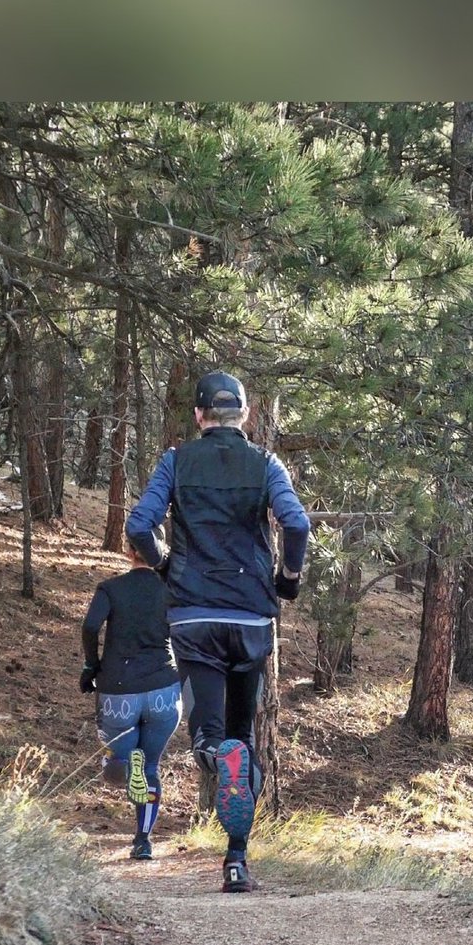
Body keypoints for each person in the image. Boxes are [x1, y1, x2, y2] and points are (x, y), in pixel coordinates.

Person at [125, 370, 310, 893]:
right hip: (251, 616)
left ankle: (215, 757)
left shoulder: (176, 461)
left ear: (200, 417)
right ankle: (236, 863)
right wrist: (287, 581)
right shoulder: (266, 462)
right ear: (245, 416)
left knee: (208, 734)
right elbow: (295, 524)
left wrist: (164, 564)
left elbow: (139, 525)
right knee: (243, 736)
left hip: (195, 615)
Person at [80, 534, 182, 860]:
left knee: (116, 763)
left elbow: (90, 626)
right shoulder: (172, 588)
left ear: (129, 551)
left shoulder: (111, 588)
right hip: (164, 690)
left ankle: (122, 761)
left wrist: (91, 666)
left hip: (118, 691)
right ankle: (142, 841)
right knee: (151, 767)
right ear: (160, 551)